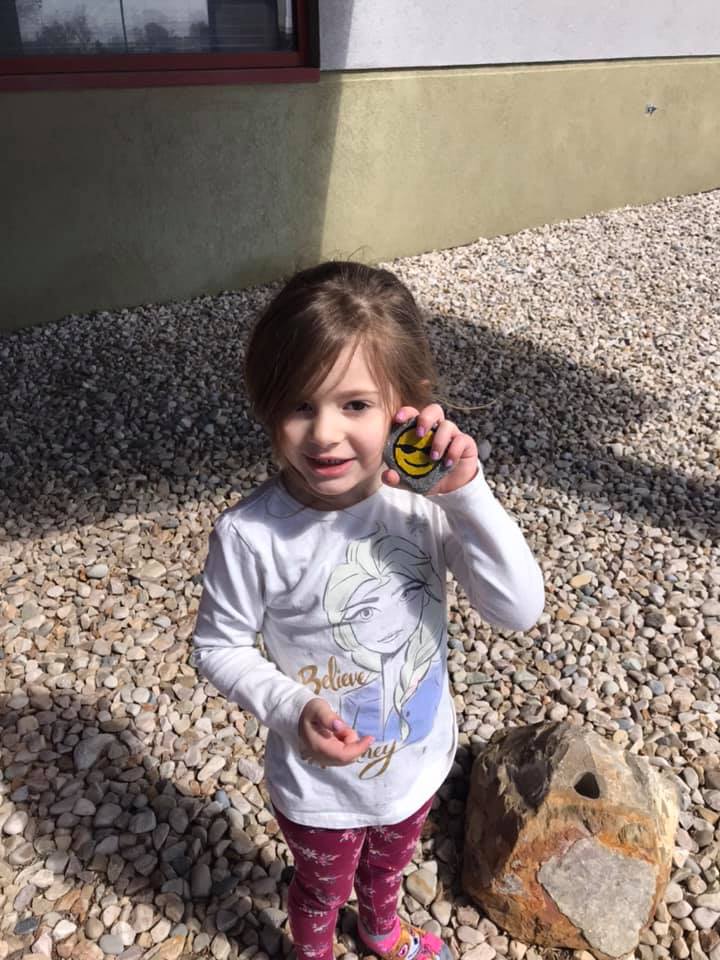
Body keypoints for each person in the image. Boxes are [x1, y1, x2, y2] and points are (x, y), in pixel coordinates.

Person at [192, 261, 545, 960]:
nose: (324, 433)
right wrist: (291, 708)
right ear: (267, 408)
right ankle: (312, 949)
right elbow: (218, 645)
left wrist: (467, 492)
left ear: (405, 407)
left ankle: (382, 928)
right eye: (299, 405)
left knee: (388, 868)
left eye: (355, 405)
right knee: (321, 889)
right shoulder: (253, 535)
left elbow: (517, 609)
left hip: (416, 764)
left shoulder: (424, 504)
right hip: (317, 787)